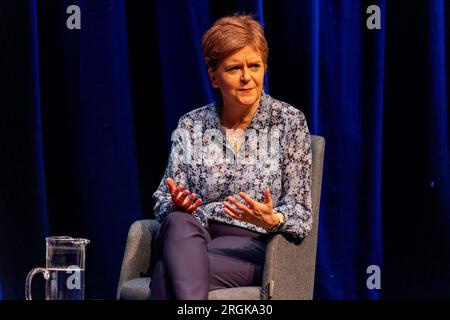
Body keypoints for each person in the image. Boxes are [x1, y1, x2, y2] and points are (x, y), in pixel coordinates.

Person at [150, 14, 312, 300]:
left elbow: (301, 213)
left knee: (166, 272)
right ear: (214, 76)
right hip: (194, 235)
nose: (247, 77)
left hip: (254, 247)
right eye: (234, 68)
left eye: (255, 66)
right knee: (177, 222)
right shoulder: (192, 125)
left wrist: (273, 218)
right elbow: (163, 198)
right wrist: (178, 205)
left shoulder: (288, 122)